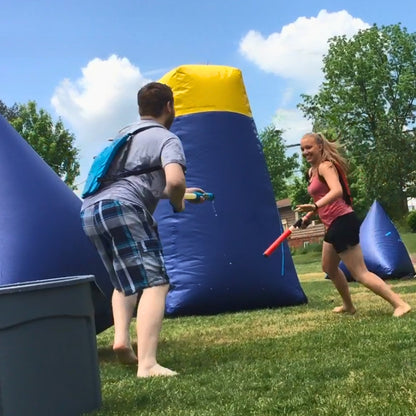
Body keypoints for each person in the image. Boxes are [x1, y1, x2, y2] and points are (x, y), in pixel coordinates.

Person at [81, 82, 207, 377]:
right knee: (156, 283)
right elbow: (174, 182)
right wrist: (179, 202)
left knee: (124, 280)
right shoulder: (167, 138)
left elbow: (134, 182)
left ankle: (122, 341)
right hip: (125, 208)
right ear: (169, 107)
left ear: (140, 109)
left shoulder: (123, 134)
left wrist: (185, 192)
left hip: (91, 209)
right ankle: (148, 364)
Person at [295, 132, 411, 318]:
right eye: (302, 149)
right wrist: (310, 215)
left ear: (320, 147)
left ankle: (400, 304)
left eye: (309, 147)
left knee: (360, 273)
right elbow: (321, 197)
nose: (305, 152)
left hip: (343, 222)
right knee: (329, 267)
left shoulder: (326, 166)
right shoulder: (312, 171)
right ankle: (348, 306)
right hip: (332, 225)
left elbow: (337, 191)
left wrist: (315, 206)